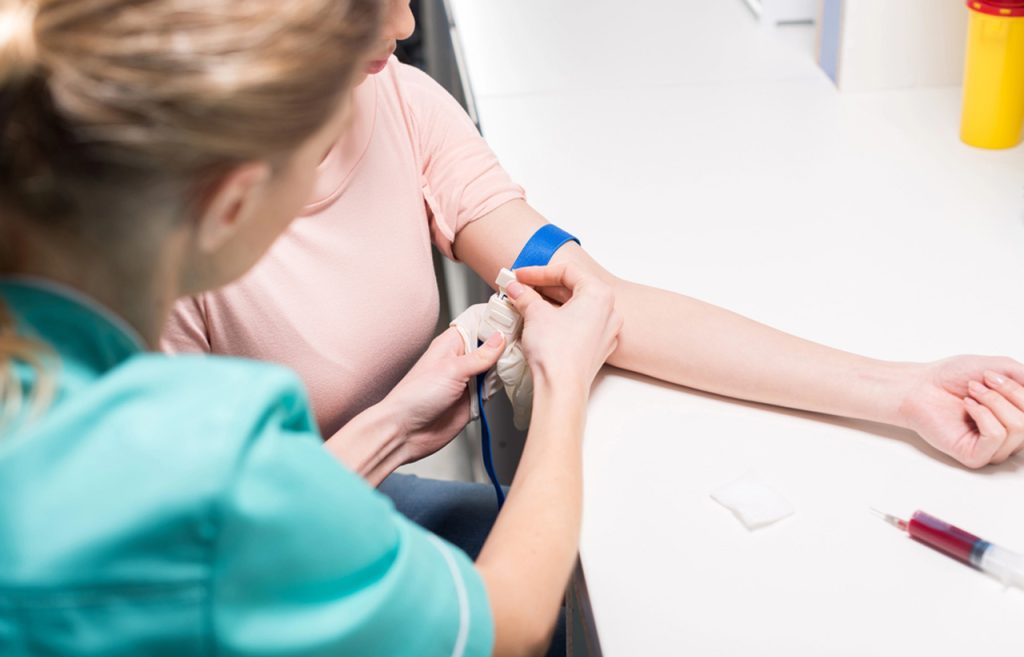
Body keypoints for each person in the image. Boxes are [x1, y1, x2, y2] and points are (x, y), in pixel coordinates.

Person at [165, 1, 1024, 520]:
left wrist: (901, 390)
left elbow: (602, 303)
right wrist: (389, 432)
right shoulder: (140, 230)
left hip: (352, 515)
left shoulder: (396, 100)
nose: (407, 25)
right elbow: (194, 552)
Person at [0, 0, 622, 657]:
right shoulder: (206, 458)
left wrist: (389, 425)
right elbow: (507, 636)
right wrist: (561, 385)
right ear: (233, 201)